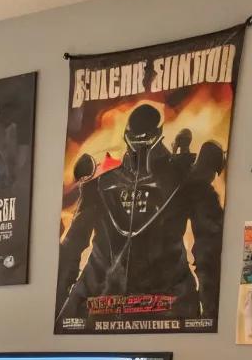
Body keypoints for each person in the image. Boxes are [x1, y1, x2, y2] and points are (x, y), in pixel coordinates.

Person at [57, 103, 223, 324]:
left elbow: (210, 249)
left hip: (167, 301)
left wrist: (210, 315)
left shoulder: (186, 176)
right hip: (100, 299)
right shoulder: (100, 181)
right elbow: (72, 244)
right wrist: (61, 308)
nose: (139, 149)